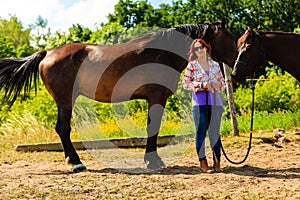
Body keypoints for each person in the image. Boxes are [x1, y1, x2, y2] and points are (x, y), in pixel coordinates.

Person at [182, 38, 225, 173]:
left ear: (206, 48)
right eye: (196, 49)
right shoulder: (192, 66)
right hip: (199, 103)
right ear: (194, 52)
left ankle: (217, 161)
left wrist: (219, 85)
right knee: (200, 133)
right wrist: (201, 85)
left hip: (215, 103)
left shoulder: (215, 65)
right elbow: (185, 84)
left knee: (215, 133)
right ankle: (203, 162)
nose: (199, 50)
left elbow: (222, 84)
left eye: (201, 47)